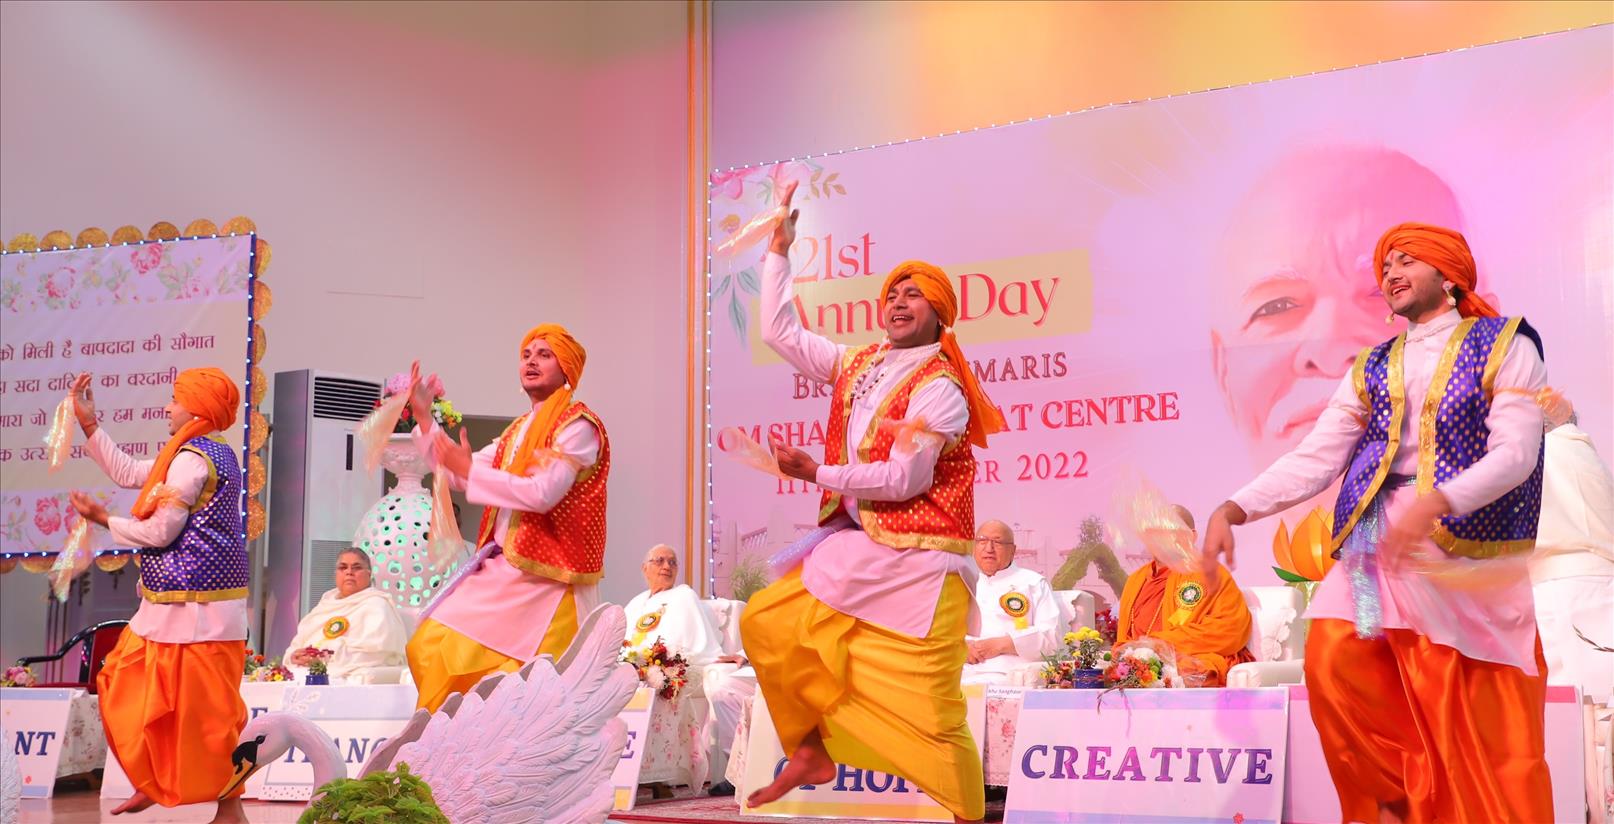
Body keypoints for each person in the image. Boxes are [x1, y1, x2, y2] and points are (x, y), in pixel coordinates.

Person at [1202, 223, 1552, 822]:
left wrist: (1441, 501)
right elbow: (1318, 456)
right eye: (1386, 265)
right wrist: (1235, 508)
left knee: (1458, 703)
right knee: (1333, 661)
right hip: (1372, 542)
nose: (1391, 273)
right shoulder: (1373, 364)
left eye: (1407, 261)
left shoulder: (1504, 344)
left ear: (1448, 275)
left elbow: (1516, 453)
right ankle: (1396, 805)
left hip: (1461, 549)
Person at [740, 181, 1006, 823]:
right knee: (766, 620)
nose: (897, 302)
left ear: (941, 313)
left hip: (921, 566)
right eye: (891, 293)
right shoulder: (857, 363)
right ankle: (810, 748)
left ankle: (966, 818)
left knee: (934, 717)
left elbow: (904, 480)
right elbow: (778, 331)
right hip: (863, 551)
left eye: (913, 294)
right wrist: (778, 251)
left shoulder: (941, 388)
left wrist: (817, 472)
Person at [66, 369, 249, 823]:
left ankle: (229, 809)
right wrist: (89, 424)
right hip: (172, 604)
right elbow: (130, 472)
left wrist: (104, 520)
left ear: (197, 408)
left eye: (174, 400)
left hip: (202, 610)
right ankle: (156, 780)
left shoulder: (194, 460)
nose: (167, 408)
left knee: (212, 718)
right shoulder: (195, 453)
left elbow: (160, 532)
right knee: (126, 681)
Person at [403, 326, 607, 712]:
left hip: (545, 579)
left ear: (567, 367)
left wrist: (467, 468)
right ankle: (448, 739)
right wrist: (425, 419)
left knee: (509, 681)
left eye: (544, 354)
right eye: (526, 354)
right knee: (428, 644)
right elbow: (459, 474)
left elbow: (542, 493)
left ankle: (459, 741)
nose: (531, 361)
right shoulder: (516, 431)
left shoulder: (578, 427)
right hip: (504, 571)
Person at [1114, 506, 1253, 686]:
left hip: (1188, 657)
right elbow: (1124, 639)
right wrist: (1131, 654)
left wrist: (1159, 645)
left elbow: (1232, 628)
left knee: (1189, 671)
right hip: (1138, 661)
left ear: (1191, 536)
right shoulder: (1135, 580)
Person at [1530, 413, 1614, 704]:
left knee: (1569, 708)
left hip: (1560, 590)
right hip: (1598, 585)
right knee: (1601, 705)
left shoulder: (1539, 455)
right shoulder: (1585, 453)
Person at [282, 548, 409, 683]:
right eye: (343, 568)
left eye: (356, 568)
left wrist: (324, 657)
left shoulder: (377, 605)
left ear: (369, 574)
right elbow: (296, 645)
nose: (349, 572)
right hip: (303, 673)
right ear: (336, 574)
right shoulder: (324, 606)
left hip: (345, 676)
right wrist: (294, 656)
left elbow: (378, 655)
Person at [963, 520, 1061, 685]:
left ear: (1013, 550)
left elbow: (1052, 638)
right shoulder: (961, 581)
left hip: (1007, 674)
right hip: (960, 670)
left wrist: (1002, 644)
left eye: (997, 542)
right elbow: (940, 630)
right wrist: (960, 647)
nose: (989, 548)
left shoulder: (1033, 583)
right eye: (982, 541)